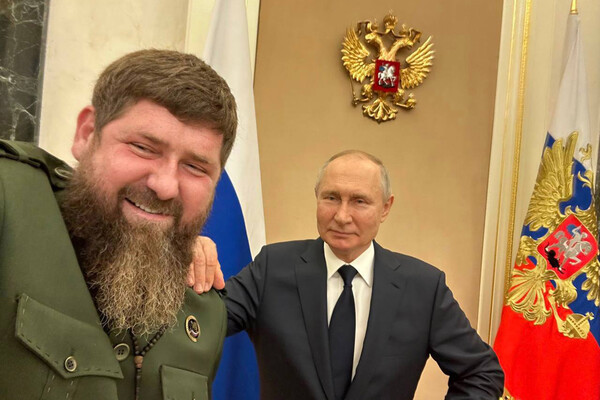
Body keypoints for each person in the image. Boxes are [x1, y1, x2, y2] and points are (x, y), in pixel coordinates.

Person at [0, 49, 237, 400]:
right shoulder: (9, 200)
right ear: (86, 134)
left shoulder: (206, 313)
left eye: (195, 167)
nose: (165, 186)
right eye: (142, 147)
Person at [194, 150, 504, 399]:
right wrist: (184, 253)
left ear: (385, 208)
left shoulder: (423, 287)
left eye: (359, 201)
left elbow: (482, 372)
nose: (342, 216)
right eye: (331, 198)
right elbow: (197, 322)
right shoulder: (272, 268)